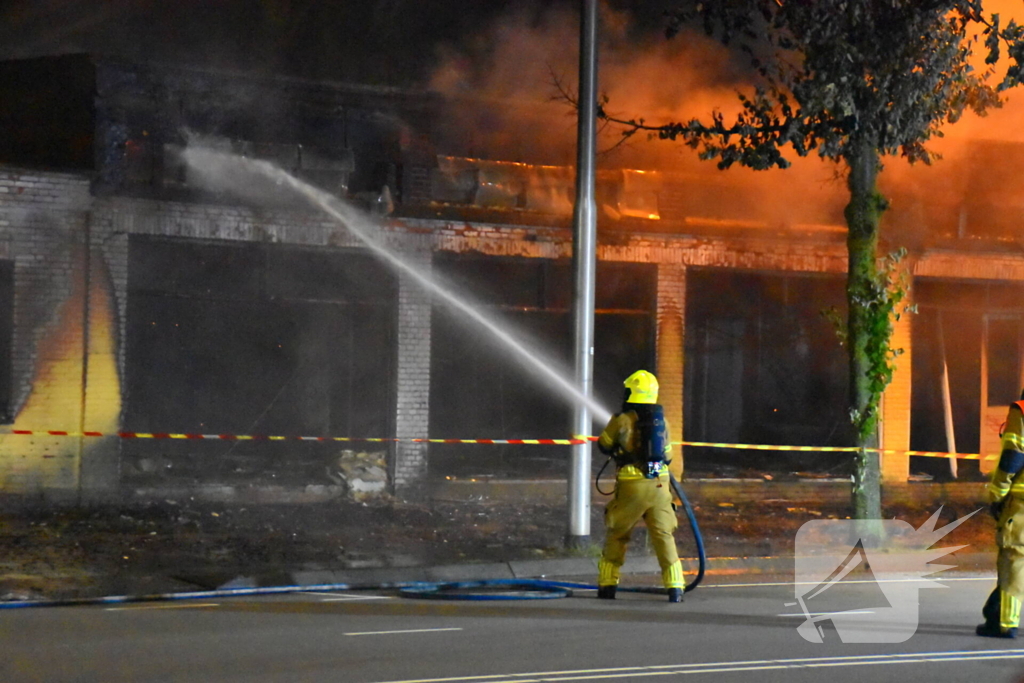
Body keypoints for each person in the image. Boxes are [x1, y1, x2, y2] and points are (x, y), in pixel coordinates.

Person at [596, 369, 685, 603]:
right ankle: (675, 587)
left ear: (630, 393)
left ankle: (608, 585)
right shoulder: (661, 421)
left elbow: (604, 445)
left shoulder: (621, 419)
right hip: (659, 483)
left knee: (618, 533)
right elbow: (668, 455)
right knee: (663, 534)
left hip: (631, 485)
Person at [978, 391, 1024, 638]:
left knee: (1014, 560)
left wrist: (997, 494)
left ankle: (1005, 623)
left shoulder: (1022, 410)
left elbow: (1014, 455)